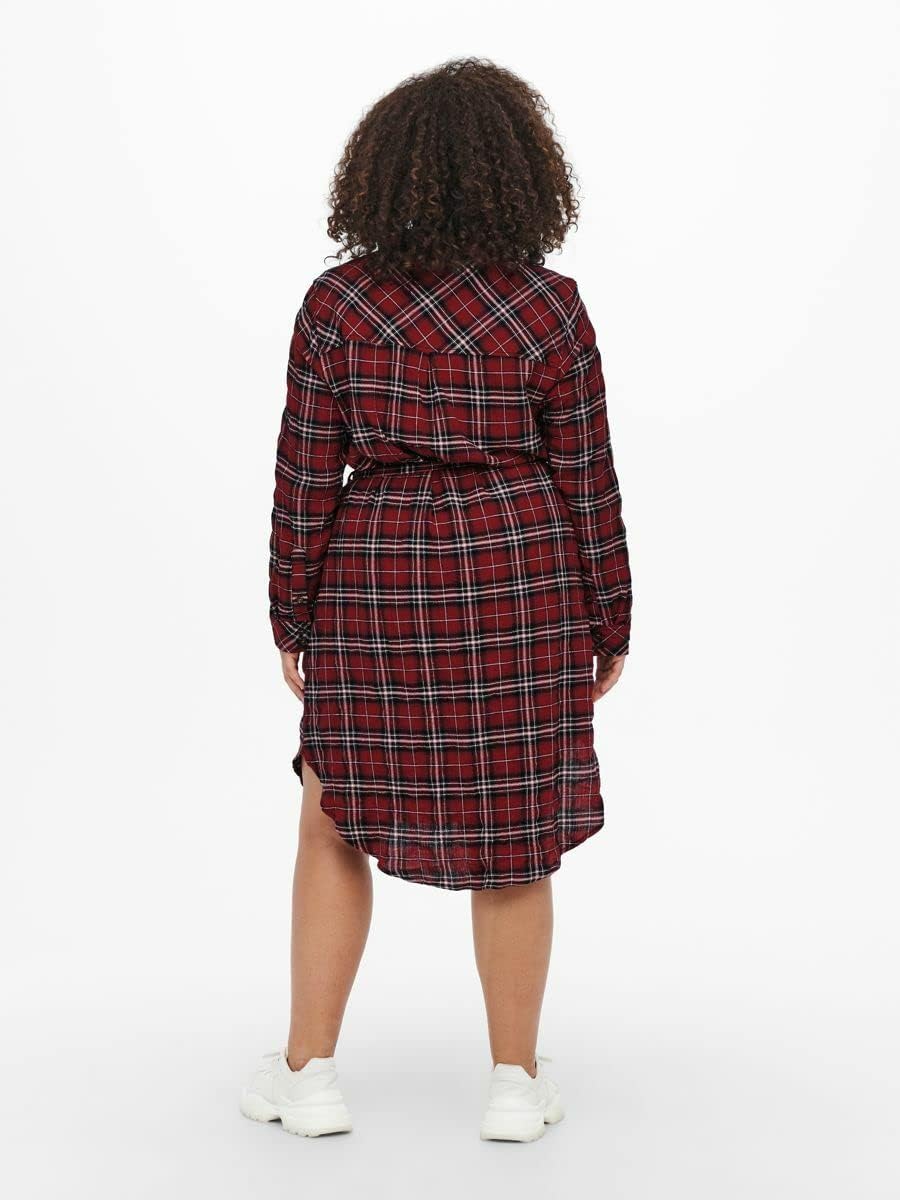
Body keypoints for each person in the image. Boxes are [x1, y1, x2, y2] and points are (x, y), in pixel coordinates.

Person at [240, 56, 633, 1143]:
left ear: (383, 173)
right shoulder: (549, 308)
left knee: (334, 807)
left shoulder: (338, 304)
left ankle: (308, 1075)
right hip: (521, 573)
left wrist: (290, 614)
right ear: (521, 174)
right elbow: (589, 478)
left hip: (377, 573)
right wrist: (610, 615)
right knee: (518, 825)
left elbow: (303, 475)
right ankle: (514, 1083)